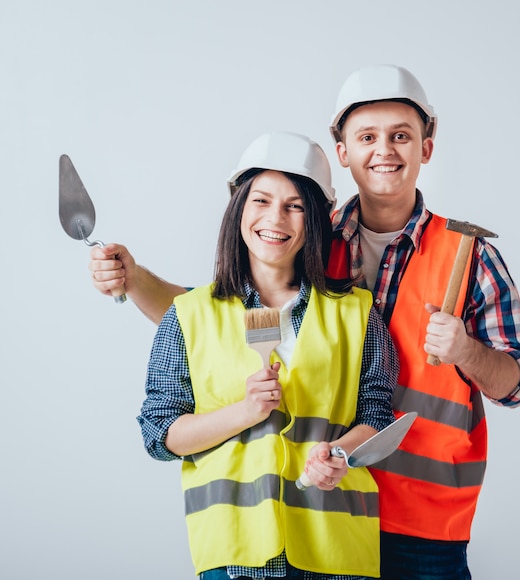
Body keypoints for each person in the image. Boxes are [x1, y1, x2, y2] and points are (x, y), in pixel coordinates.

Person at [89, 66, 520, 579]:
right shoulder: (305, 239)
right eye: (367, 137)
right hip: (322, 513)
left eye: (401, 136)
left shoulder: (469, 258)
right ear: (343, 152)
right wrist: (133, 279)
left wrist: (466, 351)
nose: (385, 151)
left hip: (422, 518)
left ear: (426, 148)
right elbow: (217, 312)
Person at [136, 131, 399, 579]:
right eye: (261, 200)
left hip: (335, 552)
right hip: (236, 554)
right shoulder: (188, 315)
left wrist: (338, 453)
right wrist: (245, 411)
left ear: (316, 218)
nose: (276, 217)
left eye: (295, 205)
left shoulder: (357, 313)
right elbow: (159, 434)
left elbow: (377, 415)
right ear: (239, 209)